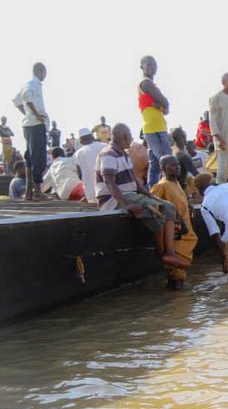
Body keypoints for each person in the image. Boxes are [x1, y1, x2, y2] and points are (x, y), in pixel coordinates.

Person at [96, 123, 190, 270]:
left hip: (131, 194)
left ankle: (168, 253)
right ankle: (165, 253)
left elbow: (136, 183)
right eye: (131, 137)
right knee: (160, 210)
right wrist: (127, 204)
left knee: (166, 209)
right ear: (125, 137)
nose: (132, 139)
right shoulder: (109, 154)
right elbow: (110, 183)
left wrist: (151, 196)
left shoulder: (124, 155)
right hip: (114, 199)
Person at [150, 155, 198, 290]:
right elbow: (153, 208)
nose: (177, 167)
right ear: (163, 169)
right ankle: (180, 307)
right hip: (176, 238)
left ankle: (174, 306)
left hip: (186, 235)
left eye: (177, 164)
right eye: (172, 165)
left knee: (176, 277)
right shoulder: (161, 186)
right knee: (177, 276)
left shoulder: (176, 183)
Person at [12, 62, 50, 200]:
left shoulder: (28, 83)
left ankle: (29, 192)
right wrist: (36, 115)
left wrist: (27, 114)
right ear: (41, 71)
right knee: (38, 158)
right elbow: (27, 97)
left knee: (29, 158)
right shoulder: (34, 83)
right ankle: (37, 192)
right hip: (36, 125)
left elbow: (17, 101)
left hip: (29, 125)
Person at [137, 56, 170, 186]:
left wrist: (162, 106)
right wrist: (162, 106)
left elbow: (166, 109)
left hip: (157, 126)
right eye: (149, 64)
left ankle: (153, 190)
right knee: (165, 159)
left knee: (155, 164)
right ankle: (168, 187)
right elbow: (165, 102)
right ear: (142, 67)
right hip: (154, 128)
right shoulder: (146, 83)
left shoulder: (151, 85)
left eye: (154, 65)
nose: (152, 67)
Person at [73, 127, 104, 203]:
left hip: (92, 195)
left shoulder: (78, 154)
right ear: (92, 137)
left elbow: (80, 175)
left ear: (81, 141)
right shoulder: (105, 146)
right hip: (111, 191)